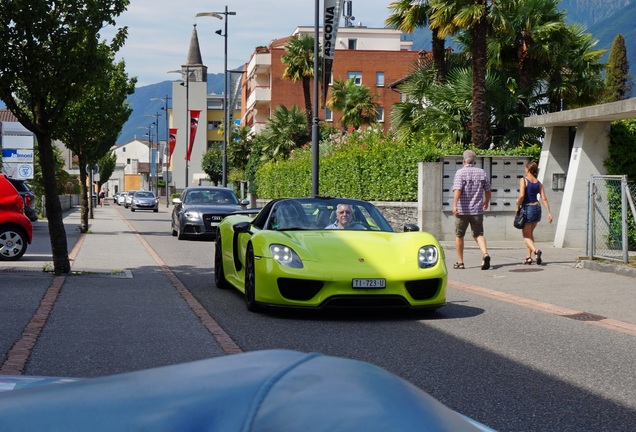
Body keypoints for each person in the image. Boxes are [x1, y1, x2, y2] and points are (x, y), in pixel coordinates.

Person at [452, 150, 492, 270]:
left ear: (463, 160)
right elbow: (488, 189)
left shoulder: (460, 173)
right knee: (478, 234)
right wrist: (486, 201)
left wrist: (454, 205)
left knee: (459, 235)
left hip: (462, 210)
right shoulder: (481, 172)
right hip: (477, 210)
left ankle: (460, 262)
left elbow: (458, 190)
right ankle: (485, 254)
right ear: (474, 161)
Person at [517, 161, 553, 265]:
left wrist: (517, 206)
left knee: (526, 236)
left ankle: (536, 251)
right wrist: (549, 213)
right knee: (530, 234)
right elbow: (544, 199)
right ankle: (528, 257)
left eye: (525, 168)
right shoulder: (538, 183)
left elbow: (521, 196)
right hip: (537, 208)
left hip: (528, 208)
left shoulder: (523, 180)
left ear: (528, 169)